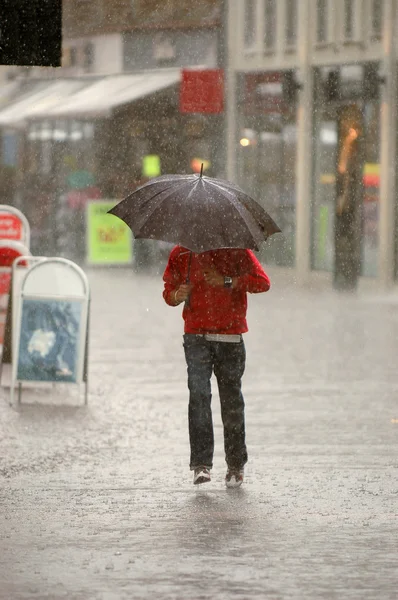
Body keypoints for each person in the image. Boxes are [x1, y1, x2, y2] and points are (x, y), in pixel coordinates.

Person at [162, 246, 270, 487]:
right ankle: (201, 465)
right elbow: (168, 293)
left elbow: (263, 282)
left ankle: (235, 465)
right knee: (199, 395)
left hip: (230, 338)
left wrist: (227, 281)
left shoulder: (238, 252)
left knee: (231, 402)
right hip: (196, 338)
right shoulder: (181, 254)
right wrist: (177, 295)